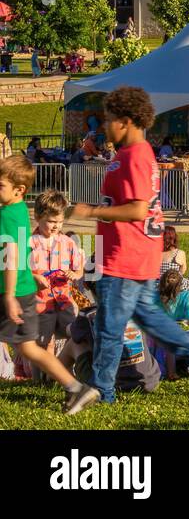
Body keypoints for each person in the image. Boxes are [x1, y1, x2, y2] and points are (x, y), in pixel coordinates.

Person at [66, 87, 189, 411]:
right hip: (136, 255)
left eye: (109, 120)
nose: (105, 126)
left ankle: (101, 391)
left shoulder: (135, 156)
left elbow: (137, 210)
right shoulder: (134, 155)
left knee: (109, 328)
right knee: (152, 320)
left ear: (125, 120)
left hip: (125, 256)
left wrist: (91, 211)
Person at [0, 157, 101, 412]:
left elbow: (11, 257)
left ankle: (77, 387)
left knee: (32, 346)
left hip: (21, 294)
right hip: (29, 293)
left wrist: (10, 294)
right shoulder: (16, 210)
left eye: (0, 185)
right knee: (32, 346)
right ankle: (75, 387)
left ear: (19, 190)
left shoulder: (10, 216)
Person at [28, 190, 86, 356]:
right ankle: (39, 380)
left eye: (60, 222)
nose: (56, 226)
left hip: (64, 301)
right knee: (42, 343)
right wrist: (35, 276)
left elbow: (79, 267)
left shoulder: (67, 243)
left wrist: (76, 274)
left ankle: (65, 370)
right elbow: (19, 270)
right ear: (38, 217)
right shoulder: (29, 243)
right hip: (40, 303)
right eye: (51, 221)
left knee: (75, 335)